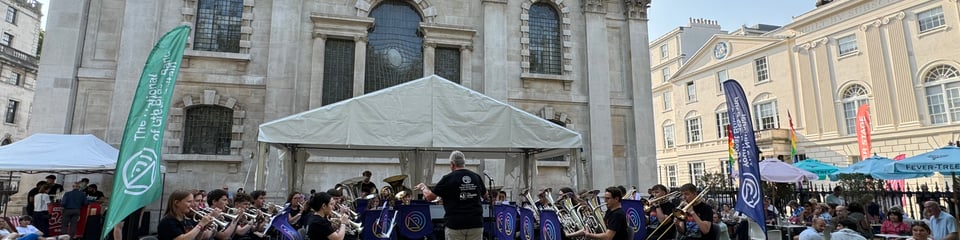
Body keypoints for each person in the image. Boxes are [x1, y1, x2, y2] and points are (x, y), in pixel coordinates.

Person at [416, 151, 486, 240]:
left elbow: (430, 197)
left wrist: (423, 188)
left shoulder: (448, 178)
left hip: (455, 224)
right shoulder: (476, 177)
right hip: (476, 223)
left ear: (452, 164)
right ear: (464, 163)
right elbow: (486, 195)